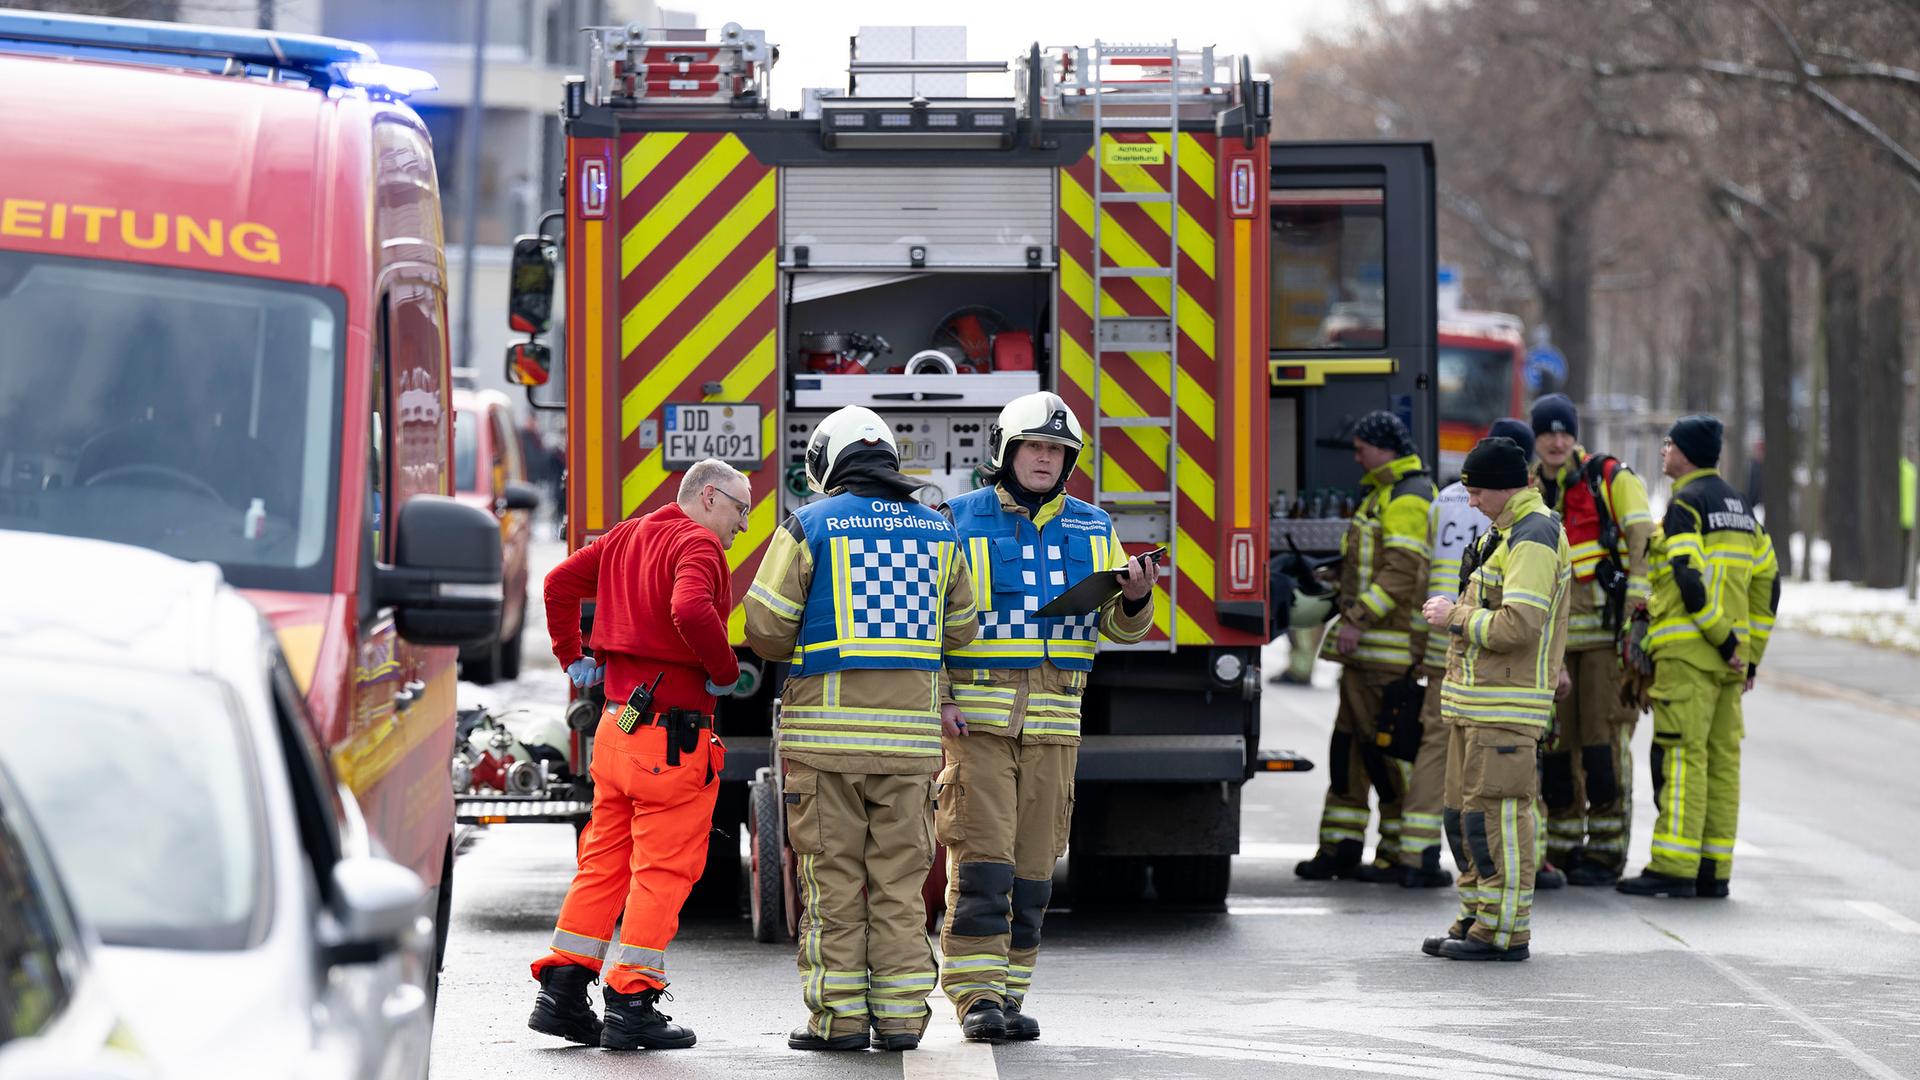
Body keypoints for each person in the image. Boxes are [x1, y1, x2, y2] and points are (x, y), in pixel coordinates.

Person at [744, 406, 978, 1053]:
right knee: (900, 887)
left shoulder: (809, 526)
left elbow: (763, 628)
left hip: (824, 749)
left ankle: (839, 1021)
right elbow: (962, 628)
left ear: (827, 463)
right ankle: (902, 1020)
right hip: (907, 749)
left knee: (833, 884)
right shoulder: (938, 532)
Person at [937, 391, 1156, 1043]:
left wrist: (1137, 598)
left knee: (1035, 870)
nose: (1045, 459)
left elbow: (1119, 630)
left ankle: (1009, 992)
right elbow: (926, 622)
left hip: (1056, 727)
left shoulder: (1094, 526)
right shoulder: (957, 519)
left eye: (1058, 451)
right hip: (977, 726)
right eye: (1034, 447)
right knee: (983, 863)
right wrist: (939, 698)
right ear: (1005, 451)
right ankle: (974, 996)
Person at [526, 458, 750, 1051]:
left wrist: (571, 655)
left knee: (603, 862)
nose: (742, 526)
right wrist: (724, 668)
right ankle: (632, 1003)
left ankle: (564, 993)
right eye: (740, 509)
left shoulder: (628, 534)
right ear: (708, 497)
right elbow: (690, 610)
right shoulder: (698, 544)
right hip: (673, 743)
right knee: (663, 870)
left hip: (617, 727)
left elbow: (557, 585)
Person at [1419, 435, 1571, 961]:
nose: (1472, 502)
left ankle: (1504, 932)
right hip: (1475, 705)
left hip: (1505, 709)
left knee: (1498, 820)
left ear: (1505, 489)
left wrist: (1453, 616)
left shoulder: (1533, 536)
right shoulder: (1504, 534)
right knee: (1462, 818)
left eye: (1478, 491)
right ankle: (1476, 915)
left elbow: (1521, 625)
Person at [1618, 415, 1778, 899]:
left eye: (1669, 445)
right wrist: (1747, 655)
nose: (1664, 451)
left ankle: (1673, 866)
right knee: (1721, 761)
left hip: (1691, 657)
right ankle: (1713, 869)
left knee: (1681, 757)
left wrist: (1722, 640)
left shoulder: (1687, 503)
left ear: (1685, 453)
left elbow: (1688, 576)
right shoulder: (1739, 507)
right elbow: (1769, 583)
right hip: (1729, 665)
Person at [1295, 411, 1435, 882]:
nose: (1355, 457)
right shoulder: (1382, 494)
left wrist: (1355, 617)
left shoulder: (1408, 497)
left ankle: (1397, 848)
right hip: (1365, 653)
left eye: (1361, 448)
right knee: (1347, 750)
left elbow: (1401, 572)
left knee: (1383, 751)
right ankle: (1341, 845)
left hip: (1386, 652)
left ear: (1383, 447)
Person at [1400, 417, 1536, 889]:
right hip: (1482, 645)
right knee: (1482, 770)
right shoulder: (1521, 523)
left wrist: (1420, 643)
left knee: (1440, 750)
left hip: (1446, 636)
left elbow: (1419, 570)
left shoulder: (1444, 498)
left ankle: (1416, 848)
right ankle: (1469, 875)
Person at [1528, 394, 1656, 887]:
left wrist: (1634, 618)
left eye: (1565, 432)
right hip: (1553, 646)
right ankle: (1561, 847)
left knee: (1602, 746)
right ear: (1536, 437)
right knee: (1557, 749)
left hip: (1605, 639)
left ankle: (1604, 852)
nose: (1557, 441)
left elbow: (1642, 543)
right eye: (1547, 433)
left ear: (1575, 435)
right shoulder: (1530, 488)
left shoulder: (1610, 479)